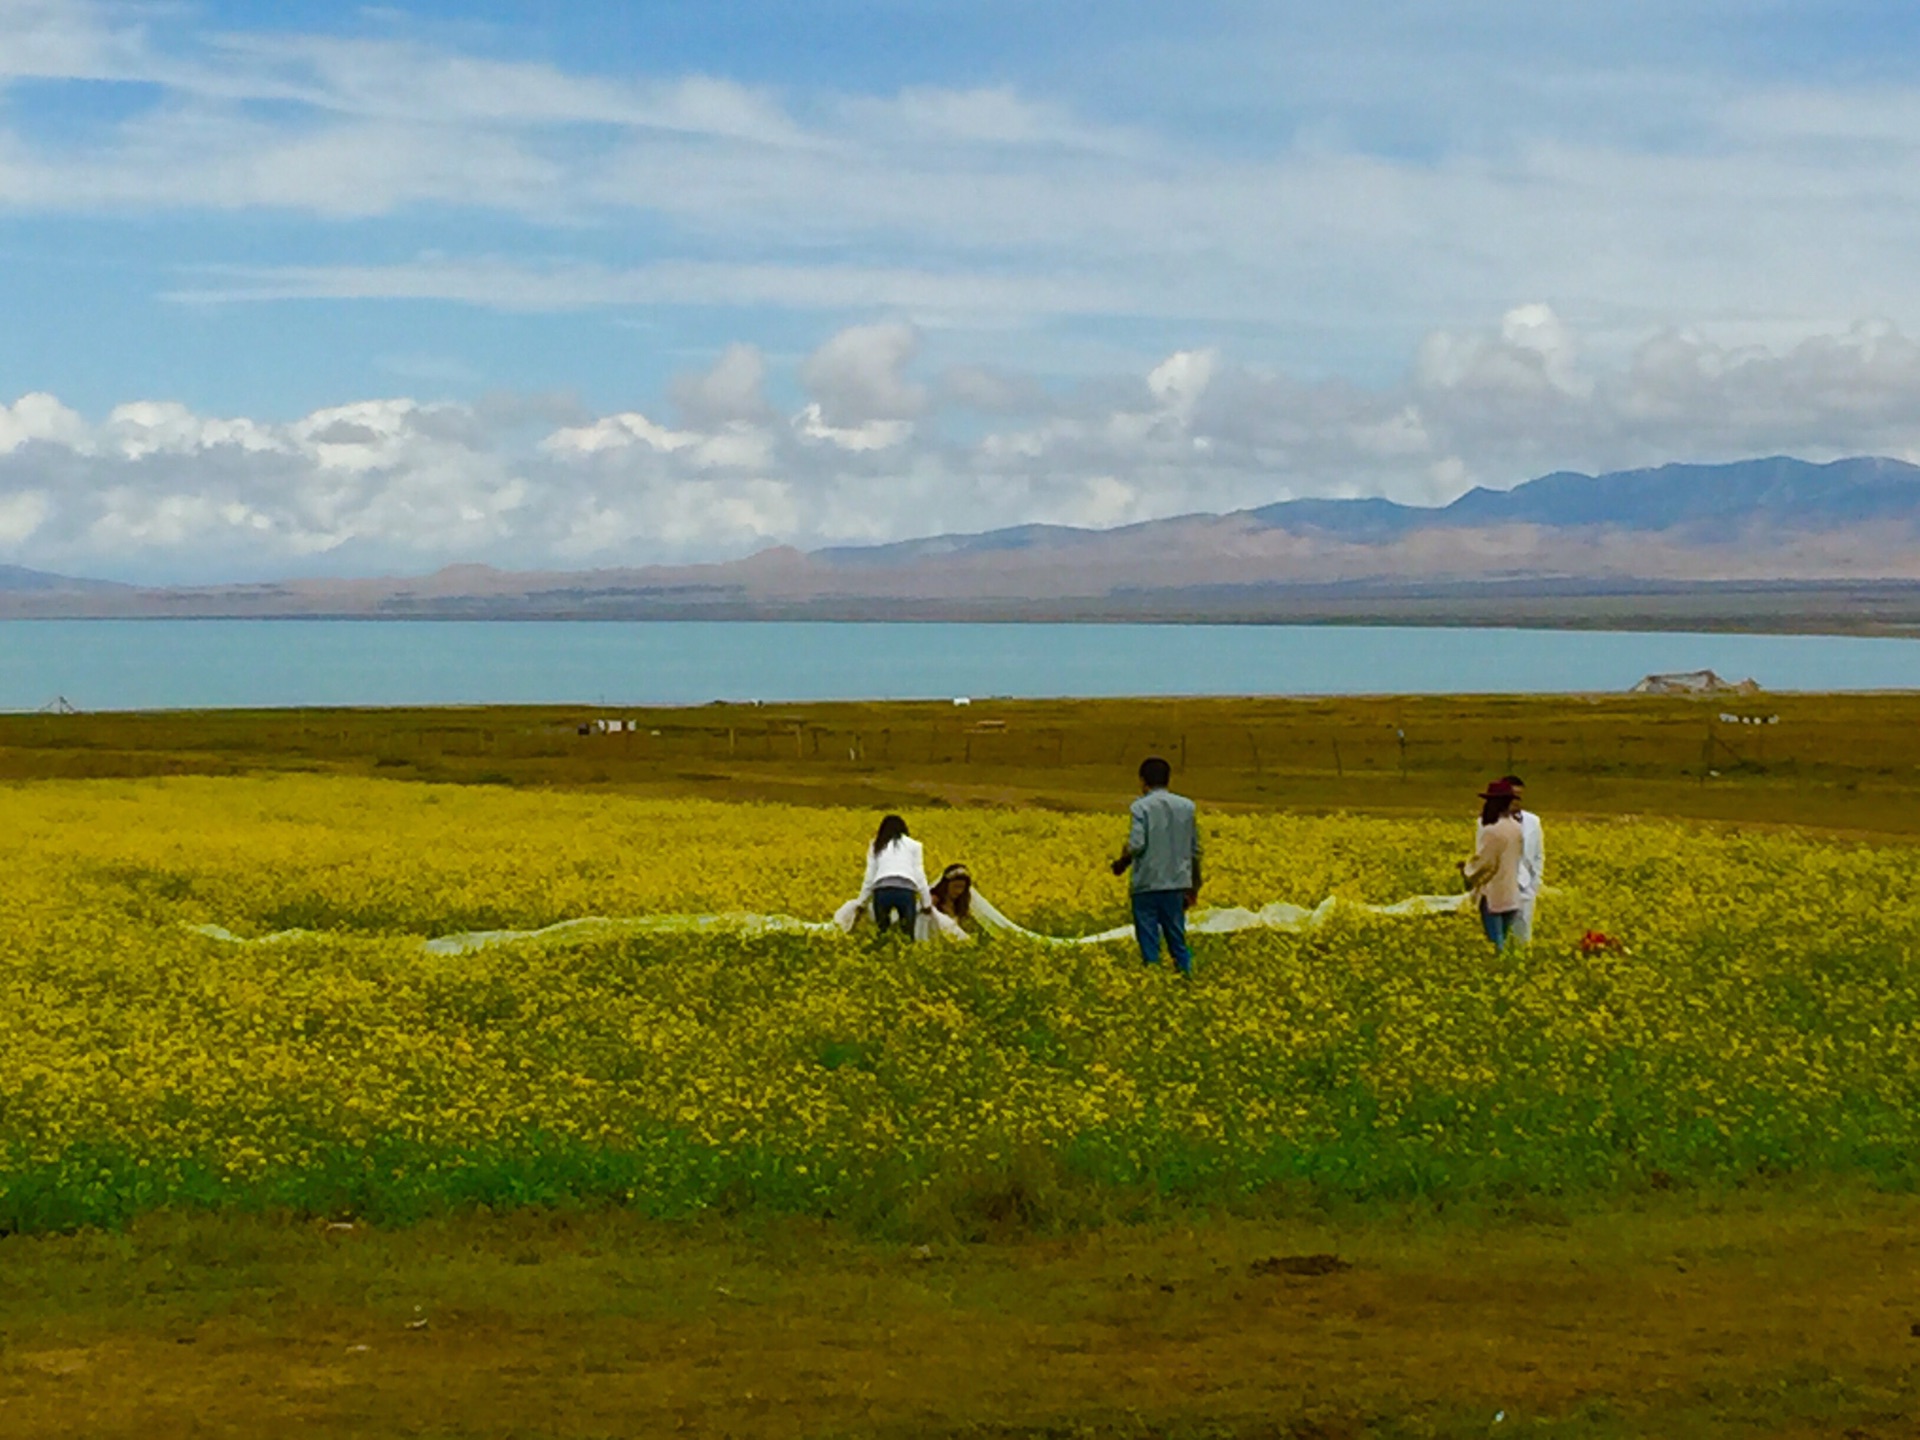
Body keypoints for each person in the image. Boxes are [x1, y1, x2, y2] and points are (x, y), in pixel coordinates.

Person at [1111, 756, 1202, 975]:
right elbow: (1195, 850)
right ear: (1168, 780)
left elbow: (1136, 844)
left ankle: (1152, 979)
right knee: (1177, 939)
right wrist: (1194, 885)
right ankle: (1186, 978)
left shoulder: (1140, 807)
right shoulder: (1187, 807)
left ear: (1143, 781)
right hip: (1177, 882)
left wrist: (1121, 863)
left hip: (1147, 884)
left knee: (1149, 940)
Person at [1461, 780, 1524, 951]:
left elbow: (1486, 863)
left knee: (1496, 944)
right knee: (1502, 938)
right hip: (1511, 894)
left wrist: (1467, 871)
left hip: (1494, 894)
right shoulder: (1516, 827)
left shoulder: (1493, 831)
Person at [857, 814, 932, 938]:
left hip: (882, 891)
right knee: (907, 935)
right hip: (906, 892)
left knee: (882, 933)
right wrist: (926, 903)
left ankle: (881, 955)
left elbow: (869, 876)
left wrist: (861, 902)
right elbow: (919, 874)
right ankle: (907, 955)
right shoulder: (914, 845)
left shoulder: (877, 844)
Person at [1492, 774, 1545, 943]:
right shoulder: (1489, 821)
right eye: (1512, 796)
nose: (1515, 800)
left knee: (1523, 937)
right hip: (1500, 889)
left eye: (1519, 796)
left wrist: (1534, 883)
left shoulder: (1533, 821)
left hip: (1525, 888)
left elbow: (1538, 854)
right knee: (1501, 938)